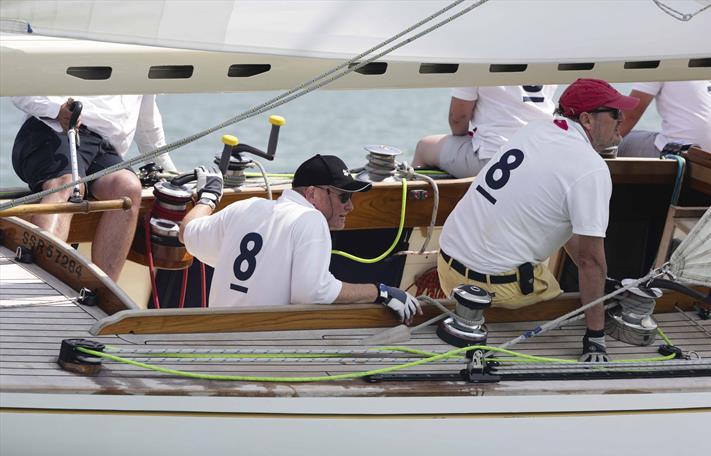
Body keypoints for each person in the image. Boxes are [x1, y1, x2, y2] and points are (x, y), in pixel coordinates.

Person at [437, 78, 639, 362]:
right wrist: (595, 336)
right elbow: (589, 261)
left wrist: (602, 284)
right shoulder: (590, 169)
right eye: (615, 113)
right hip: (495, 290)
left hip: (446, 264)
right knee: (562, 291)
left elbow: (563, 222)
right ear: (587, 119)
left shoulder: (534, 130)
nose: (623, 119)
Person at [179, 154, 421, 322]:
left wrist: (208, 197)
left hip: (213, 335)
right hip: (262, 346)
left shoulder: (244, 207)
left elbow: (186, 233)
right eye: (344, 197)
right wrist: (381, 292)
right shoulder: (310, 220)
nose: (350, 207)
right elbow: (314, 293)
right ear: (312, 193)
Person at [11, 95, 177, 281]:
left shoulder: (142, 70)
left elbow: (148, 128)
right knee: (68, 184)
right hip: (52, 131)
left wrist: (172, 174)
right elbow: (19, 91)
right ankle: (40, 282)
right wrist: (56, 110)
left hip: (104, 148)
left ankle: (100, 294)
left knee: (129, 188)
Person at [412, 85, 558, 178]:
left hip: (495, 159)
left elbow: (458, 119)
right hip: (543, 157)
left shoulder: (478, 54)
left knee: (423, 146)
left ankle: (416, 222)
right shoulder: (544, 53)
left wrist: (461, 139)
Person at [617, 80, 711, 157]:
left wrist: (598, 147)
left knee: (618, 141)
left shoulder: (663, 54)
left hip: (687, 153)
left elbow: (630, 115)